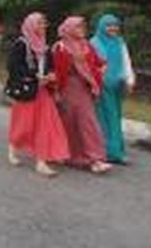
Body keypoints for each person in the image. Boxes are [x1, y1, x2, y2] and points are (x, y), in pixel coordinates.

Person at [7, 12, 70, 177]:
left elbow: (49, 66)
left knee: (47, 125)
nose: (43, 27)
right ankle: (13, 147)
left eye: (44, 24)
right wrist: (35, 76)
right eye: (40, 23)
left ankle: (42, 161)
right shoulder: (21, 44)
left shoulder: (45, 46)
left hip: (43, 92)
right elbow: (13, 67)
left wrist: (50, 75)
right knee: (24, 125)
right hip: (27, 91)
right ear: (31, 25)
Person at [53, 16, 112, 174]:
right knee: (70, 123)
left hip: (84, 89)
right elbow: (57, 72)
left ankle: (96, 158)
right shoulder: (61, 47)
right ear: (70, 29)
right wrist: (56, 92)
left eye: (83, 27)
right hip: (68, 89)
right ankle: (73, 156)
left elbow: (99, 62)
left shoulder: (86, 45)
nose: (82, 30)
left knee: (88, 122)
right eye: (78, 27)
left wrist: (102, 69)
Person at [90, 14, 135, 164]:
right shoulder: (94, 43)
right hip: (99, 87)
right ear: (101, 26)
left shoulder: (120, 42)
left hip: (116, 86)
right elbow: (89, 65)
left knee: (114, 117)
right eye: (109, 25)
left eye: (115, 25)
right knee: (101, 119)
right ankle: (104, 151)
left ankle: (115, 151)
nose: (113, 28)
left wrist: (130, 80)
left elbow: (126, 62)